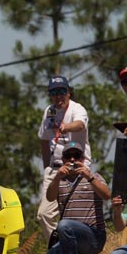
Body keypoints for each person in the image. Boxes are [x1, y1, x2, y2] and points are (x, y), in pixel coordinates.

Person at [36, 142, 110, 254]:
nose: (72, 160)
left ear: (83, 159)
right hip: (67, 238)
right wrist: (57, 177)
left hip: (93, 237)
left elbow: (107, 195)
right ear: (62, 159)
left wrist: (89, 177)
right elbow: (50, 197)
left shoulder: (95, 177)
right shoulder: (60, 181)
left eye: (76, 156)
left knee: (64, 224)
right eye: (68, 156)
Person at [36, 76, 91, 242]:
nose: (58, 96)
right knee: (44, 214)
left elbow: (80, 124)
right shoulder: (49, 111)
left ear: (68, 92)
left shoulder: (77, 109)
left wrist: (66, 127)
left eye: (62, 91)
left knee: (75, 215)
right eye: (54, 92)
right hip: (56, 169)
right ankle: (58, 246)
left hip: (77, 167)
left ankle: (76, 250)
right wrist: (47, 167)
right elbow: (44, 140)